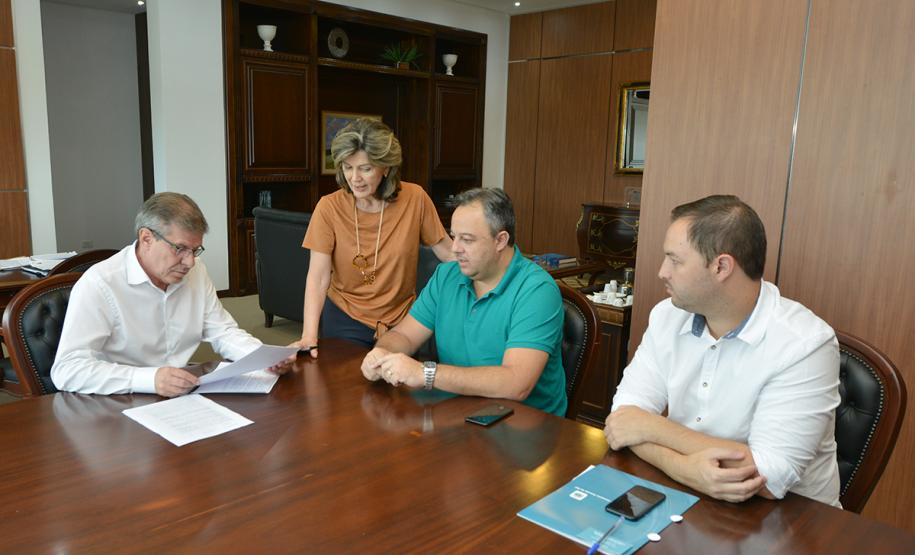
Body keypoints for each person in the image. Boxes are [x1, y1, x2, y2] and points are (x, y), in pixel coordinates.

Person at [604, 195, 841, 506]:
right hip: (694, 498)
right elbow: (621, 422)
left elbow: (769, 476)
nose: (662, 272)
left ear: (721, 267)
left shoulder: (805, 344)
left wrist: (652, 426)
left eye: (675, 260)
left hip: (793, 522)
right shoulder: (667, 316)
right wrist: (685, 469)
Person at [51, 193, 289, 397]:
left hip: (182, 393)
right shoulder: (100, 284)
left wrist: (261, 357)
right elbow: (67, 370)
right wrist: (149, 379)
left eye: (195, 250)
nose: (190, 262)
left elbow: (222, 331)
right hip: (119, 400)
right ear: (146, 238)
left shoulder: (196, 271)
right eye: (180, 248)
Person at [359, 188, 567, 416]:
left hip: (526, 427)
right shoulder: (446, 275)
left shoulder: (537, 290)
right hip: (459, 414)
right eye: (454, 236)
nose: (455, 248)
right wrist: (382, 354)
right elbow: (405, 335)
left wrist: (425, 373)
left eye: (467, 239)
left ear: (500, 240)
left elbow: (516, 384)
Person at [293, 118, 452, 355]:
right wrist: (309, 336)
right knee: (345, 387)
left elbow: (448, 253)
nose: (354, 178)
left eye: (365, 168)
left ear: (386, 167)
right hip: (346, 316)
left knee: (398, 388)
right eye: (348, 167)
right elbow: (317, 278)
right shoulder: (329, 207)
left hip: (403, 321)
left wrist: (497, 273)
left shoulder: (415, 199)